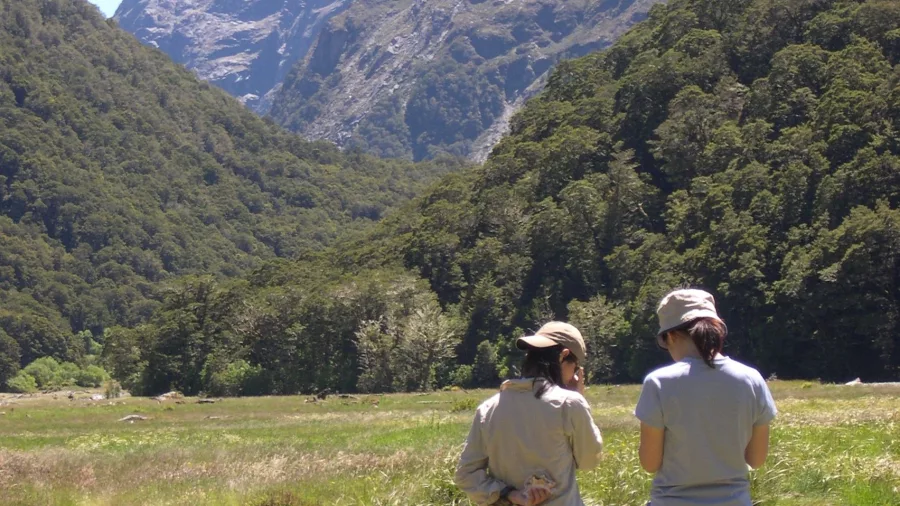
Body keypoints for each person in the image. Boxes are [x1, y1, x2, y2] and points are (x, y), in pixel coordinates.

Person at [635, 289, 777, 506]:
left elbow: (650, 463)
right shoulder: (752, 379)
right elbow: (756, 460)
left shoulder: (658, 382)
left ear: (670, 336)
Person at [455, 322, 604, 506]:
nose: (574, 376)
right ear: (563, 356)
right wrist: (578, 398)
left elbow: (465, 475)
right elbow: (589, 461)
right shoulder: (569, 404)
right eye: (575, 367)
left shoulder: (488, 408)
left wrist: (509, 494)